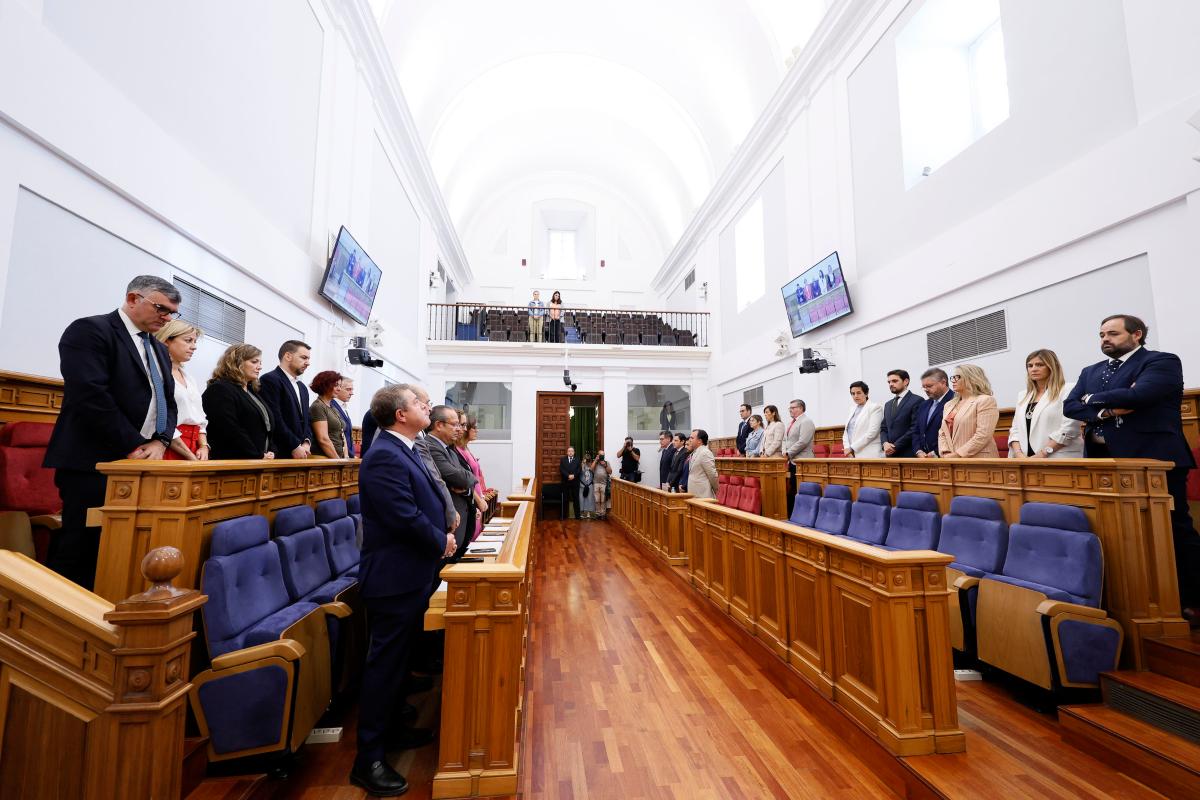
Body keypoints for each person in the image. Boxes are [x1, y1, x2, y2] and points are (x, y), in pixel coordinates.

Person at [351, 384, 455, 796]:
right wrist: (440, 540)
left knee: (400, 663)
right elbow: (401, 514)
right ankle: (368, 759)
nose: (426, 406)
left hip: (412, 571)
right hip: (394, 576)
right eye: (418, 402)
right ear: (399, 414)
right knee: (385, 667)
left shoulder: (406, 449)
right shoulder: (384, 456)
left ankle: (392, 731)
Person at [44, 275, 180, 588]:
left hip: (142, 461)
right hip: (93, 461)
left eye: (173, 312)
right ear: (133, 299)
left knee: (121, 548)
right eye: (162, 308)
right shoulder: (91, 330)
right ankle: (60, 619)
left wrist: (160, 442)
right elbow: (90, 395)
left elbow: (168, 403)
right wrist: (133, 445)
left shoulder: (158, 349)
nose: (167, 317)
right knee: (81, 548)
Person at [1064, 314, 1200, 621]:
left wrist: (1093, 401)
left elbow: (1142, 395)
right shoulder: (1091, 370)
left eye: (1112, 333)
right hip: (1104, 464)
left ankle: (1193, 597)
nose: (1104, 339)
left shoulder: (1161, 361)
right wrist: (1109, 407)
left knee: (1173, 529)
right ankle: (1136, 599)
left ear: (1136, 334)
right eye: (1101, 334)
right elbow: (1070, 406)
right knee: (1118, 533)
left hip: (1153, 461)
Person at [416, 405, 478, 561]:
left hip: (460, 519)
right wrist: (467, 479)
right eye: (455, 424)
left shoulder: (449, 448)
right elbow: (461, 478)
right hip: (448, 522)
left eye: (460, 425)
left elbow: (467, 476)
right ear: (439, 425)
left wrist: (467, 481)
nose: (459, 429)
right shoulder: (430, 446)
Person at [201, 344, 276, 460]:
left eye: (260, 363)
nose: (259, 367)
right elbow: (230, 428)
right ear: (237, 362)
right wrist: (257, 454)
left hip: (258, 459)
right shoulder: (220, 389)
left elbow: (267, 426)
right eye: (254, 362)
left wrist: (271, 451)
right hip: (232, 460)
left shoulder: (252, 392)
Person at [1008, 349, 1083, 459]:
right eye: (1030, 365)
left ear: (1052, 367)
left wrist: (1042, 454)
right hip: (1024, 459)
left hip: (1058, 457)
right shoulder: (1023, 395)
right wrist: (1019, 454)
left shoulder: (1068, 389)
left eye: (1039, 365)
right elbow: (1015, 429)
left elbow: (1069, 428)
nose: (1034, 369)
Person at [155, 319, 209, 461]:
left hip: (194, 446)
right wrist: (190, 456)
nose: (194, 347)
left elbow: (200, 417)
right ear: (167, 340)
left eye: (195, 342)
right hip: (168, 445)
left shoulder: (189, 378)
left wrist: (203, 446)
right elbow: (160, 419)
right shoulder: (157, 374)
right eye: (188, 340)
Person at [258, 340, 313, 459]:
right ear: (288, 356)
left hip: (302, 452)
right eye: (304, 358)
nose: (308, 363)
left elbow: (307, 419)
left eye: (308, 359)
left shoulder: (302, 387)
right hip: (280, 452)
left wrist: (306, 442)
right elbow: (274, 418)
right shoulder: (270, 380)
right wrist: (294, 446)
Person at [938, 364, 1000, 458]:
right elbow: (942, 432)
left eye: (957, 377)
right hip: (951, 461)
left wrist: (958, 454)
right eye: (953, 377)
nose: (953, 381)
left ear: (971, 378)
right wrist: (945, 452)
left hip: (979, 460)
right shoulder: (948, 405)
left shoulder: (985, 400)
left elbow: (983, 435)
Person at [911, 368, 954, 458]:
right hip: (924, 458)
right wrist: (918, 450)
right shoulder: (924, 405)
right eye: (924, 387)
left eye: (929, 386)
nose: (926, 390)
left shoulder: (955, 400)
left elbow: (954, 433)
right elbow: (916, 431)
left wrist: (936, 452)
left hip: (947, 457)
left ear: (943, 382)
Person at [880, 370, 923, 458]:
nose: (891, 384)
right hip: (890, 454)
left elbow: (915, 428)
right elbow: (884, 428)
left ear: (906, 381)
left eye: (895, 381)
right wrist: (885, 443)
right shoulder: (888, 404)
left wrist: (895, 446)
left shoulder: (917, 400)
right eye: (889, 382)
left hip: (908, 454)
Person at [460, 416, 489, 539]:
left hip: (477, 498)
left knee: (476, 535)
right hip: (472, 500)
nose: (477, 430)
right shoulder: (459, 450)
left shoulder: (466, 448)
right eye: (474, 428)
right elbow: (464, 480)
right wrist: (478, 500)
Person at [309, 370, 347, 458]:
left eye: (340, 386)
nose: (339, 389)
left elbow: (341, 433)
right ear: (325, 385)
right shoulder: (318, 407)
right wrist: (337, 460)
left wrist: (346, 456)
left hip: (338, 459)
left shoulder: (333, 407)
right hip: (324, 460)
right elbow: (323, 439)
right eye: (336, 385)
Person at [843, 381, 883, 458]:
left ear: (866, 393)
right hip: (851, 454)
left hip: (869, 453)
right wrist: (847, 448)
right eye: (853, 393)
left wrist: (852, 448)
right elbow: (846, 432)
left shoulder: (875, 407)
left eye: (858, 393)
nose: (855, 396)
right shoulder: (852, 409)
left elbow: (872, 433)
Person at [685, 429, 718, 499]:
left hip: (703, 495)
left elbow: (712, 475)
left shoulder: (705, 453)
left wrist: (716, 490)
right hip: (694, 494)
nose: (689, 440)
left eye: (692, 438)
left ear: (699, 441)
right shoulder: (694, 452)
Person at [333, 377, 357, 457]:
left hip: (348, 456)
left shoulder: (343, 407)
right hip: (339, 456)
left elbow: (348, 435)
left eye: (352, 389)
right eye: (348, 389)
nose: (351, 393)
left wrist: (352, 455)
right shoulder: (331, 406)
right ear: (338, 389)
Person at [560, 446, 582, 519]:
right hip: (566, 482)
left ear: (574, 452)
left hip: (575, 482)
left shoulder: (578, 460)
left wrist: (574, 475)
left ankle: (577, 516)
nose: (570, 452)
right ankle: (564, 516)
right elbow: (561, 469)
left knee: (576, 499)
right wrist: (568, 476)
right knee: (565, 499)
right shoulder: (563, 460)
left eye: (572, 451)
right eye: (569, 451)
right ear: (567, 452)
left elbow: (579, 470)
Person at [591, 452, 610, 517]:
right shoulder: (596, 462)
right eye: (600, 455)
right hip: (596, 483)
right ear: (598, 455)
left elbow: (610, 472)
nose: (602, 456)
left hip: (604, 483)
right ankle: (597, 513)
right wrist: (596, 460)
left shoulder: (607, 462)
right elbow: (591, 469)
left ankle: (603, 514)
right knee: (597, 499)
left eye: (603, 455)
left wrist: (605, 465)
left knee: (603, 499)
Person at [579, 452, 595, 519]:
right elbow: (581, 471)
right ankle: (582, 512)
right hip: (582, 484)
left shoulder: (592, 465)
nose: (587, 459)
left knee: (589, 498)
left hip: (590, 484)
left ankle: (588, 512)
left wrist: (590, 464)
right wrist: (583, 463)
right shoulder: (581, 465)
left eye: (588, 459)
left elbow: (593, 471)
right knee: (581, 498)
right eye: (586, 458)